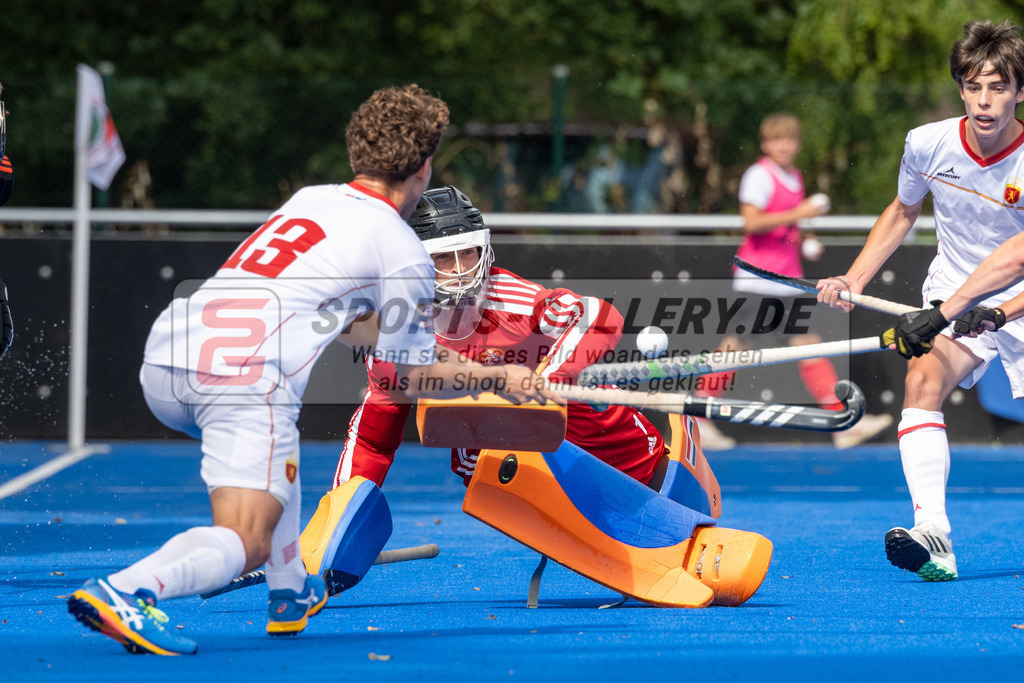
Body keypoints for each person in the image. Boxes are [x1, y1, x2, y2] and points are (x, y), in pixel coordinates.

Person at [65, 85, 558, 655]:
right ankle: (129, 589)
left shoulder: (311, 200)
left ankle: (290, 589)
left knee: (281, 454)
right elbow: (408, 375)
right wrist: (501, 378)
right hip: (242, 379)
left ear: (359, 153)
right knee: (247, 536)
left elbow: (353, 326)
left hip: (167, 356)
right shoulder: (402, 249)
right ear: (423, 167)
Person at [817, 19, 1024, 582]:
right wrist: (855, 279)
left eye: (999, 87)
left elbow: (1016, 260)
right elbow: (904, 209)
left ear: (1019, 92)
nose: (985, 101)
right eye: (974, 87)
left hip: (1010, 298)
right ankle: (933, 533)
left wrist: (987, 312)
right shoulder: (927, 143)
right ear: (960, 88)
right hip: (956, 290)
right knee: (922, 380)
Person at [333, 185, 705, 496]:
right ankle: (553, 509)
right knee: (470, 428)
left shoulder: (510, 297)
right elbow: (372, 440)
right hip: (500, 454)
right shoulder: (395, 330)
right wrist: (343, 515)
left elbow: (596, 315)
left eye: (468, 253)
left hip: (583, 424)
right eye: (443, 257)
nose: (460, 270)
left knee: (585, 404)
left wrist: (550, 381)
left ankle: (651, 481)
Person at [698, 112, 893, 451]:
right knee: (733, 350)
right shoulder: (758, 176)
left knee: (809, 347)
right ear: (765, 144)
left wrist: (804, 241)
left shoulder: (794, 177)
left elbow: (785, 226)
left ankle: (841, 423)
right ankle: (698, 419)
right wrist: (801, 213)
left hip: (787, 282)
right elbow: (751, 222)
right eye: (777, 139)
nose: (784, 145)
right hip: (757, 281)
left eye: (789, 139)